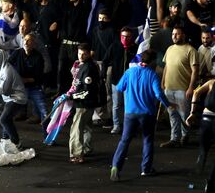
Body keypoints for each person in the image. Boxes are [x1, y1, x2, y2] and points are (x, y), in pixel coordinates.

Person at [111, 50, 174, 181]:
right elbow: (159, 94)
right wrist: (169, 105)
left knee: (124, 140)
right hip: (147, 114)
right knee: (148, 140)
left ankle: (115, 167)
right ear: (152, 62)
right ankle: (146, 169)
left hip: (130, 113)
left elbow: (119, 88)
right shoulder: (152, 75)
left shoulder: (130, 72)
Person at [161, 26, 200, 147]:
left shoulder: (191, 50)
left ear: (183, 35)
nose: (174, 36)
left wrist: (190, 87)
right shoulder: (170, 49)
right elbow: (166, 67)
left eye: (177, 34)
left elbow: (195, 71)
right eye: (173, 34)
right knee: (172, 115)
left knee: (184, 115)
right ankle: (174, 139)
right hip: (169, 88)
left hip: (183, 89)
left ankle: (185, 136)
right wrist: (162, 82)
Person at [66, 44, 104, 163]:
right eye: (79, 53)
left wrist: (72, 96)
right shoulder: (85, 65)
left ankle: (77, 155)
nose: (81, 56)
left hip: (84, 104)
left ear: (89, 54)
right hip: (88, 103)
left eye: (84, 54)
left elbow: (87, 91)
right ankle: (86, 148)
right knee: (86, 127)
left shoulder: (88, 68)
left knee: (76, 128)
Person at [0, 49, 28, 147]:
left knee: (4, 119)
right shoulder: (2, 69)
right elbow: (2, 88)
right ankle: (5, 138)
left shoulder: (7, 70)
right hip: (10, 98)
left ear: (1, 58)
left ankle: (16, 142)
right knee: (7, 117)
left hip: (17, 98)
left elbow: (4, 91)